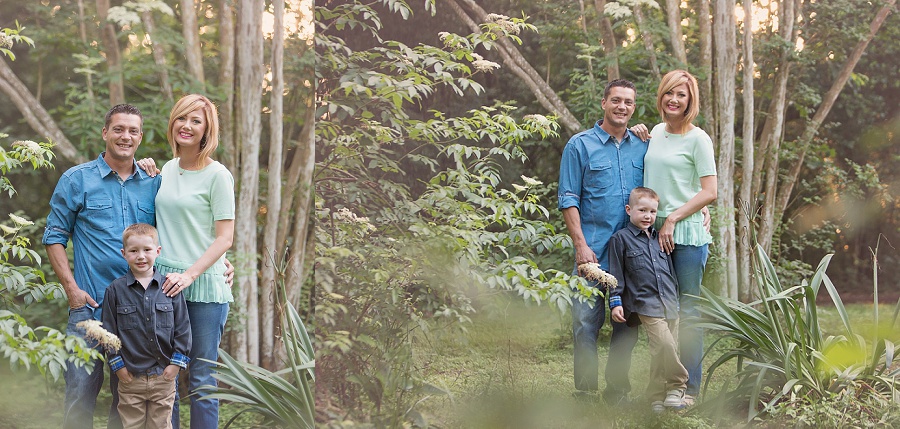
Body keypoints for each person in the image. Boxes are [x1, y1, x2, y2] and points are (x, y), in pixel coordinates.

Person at [44, 104, 160, 429]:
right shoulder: (76, 179)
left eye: (133, 131)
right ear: (105, 132)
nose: (126, 136)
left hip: (138, 310)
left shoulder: (154, 184)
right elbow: (54, 236)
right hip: (88, 309)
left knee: (128, 404)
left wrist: (221, 263)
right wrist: (71, 290)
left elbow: (180, 231)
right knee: (79, 399)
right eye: (119, 129)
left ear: (140, 137)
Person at [557, 79, 644, 403]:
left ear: (634, 108)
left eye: (629, 103)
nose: (622, 107)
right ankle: (585, 392)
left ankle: (617, 390)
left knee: (627, 326)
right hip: (592, 249)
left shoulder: (642, 145)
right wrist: (580, 245)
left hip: (632, 253)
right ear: (604, 103)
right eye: (616, 100)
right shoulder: (579, 146)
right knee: (584, 322)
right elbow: (568, 198)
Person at [153, 94, 235, 429]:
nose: (186, 126)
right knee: (165, 375)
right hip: (162, 287)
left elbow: (224, 238)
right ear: (173, 123)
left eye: (196, 121)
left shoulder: (218, 175)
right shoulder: (166, 169)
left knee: (201, 377)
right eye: (181, 118)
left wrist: (191, 274)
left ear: (207, 131)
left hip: (203, 289)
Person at [637, 69, 718, 405]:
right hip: (655, 237)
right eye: (669, 92)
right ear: (661, 95)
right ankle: (665, 387)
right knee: (661, 314)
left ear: (690, 101)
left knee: (689, 313)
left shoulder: (698, 138)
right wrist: (638, 132)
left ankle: (691, 389)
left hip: (685, 238)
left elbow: (710, 191)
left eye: (681, 94)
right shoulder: (655, 132)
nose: (674, 99)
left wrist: (673, 217)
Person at [101, 223, 191, 429]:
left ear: (157, 251)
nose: (141, 256)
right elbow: (108, 332)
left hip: (163, 376)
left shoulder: (170, 288)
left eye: (147, 250)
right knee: (131, 425)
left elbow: (183, 328)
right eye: (134, 251)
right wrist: (118, 367)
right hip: (130, 377)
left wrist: (175, 365)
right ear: (124, 254)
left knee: (161, 425)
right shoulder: (115, 290)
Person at [608, 187, 689, 411]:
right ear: (629, 210)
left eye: (652, 212)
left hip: (670, 301)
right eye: (642, 210)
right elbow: (615, 274)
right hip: (645, 303)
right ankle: (678, 385)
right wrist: (615, 302)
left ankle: (656, 397)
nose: (647, 216)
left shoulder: (660, 238)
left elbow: (669, 271)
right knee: (664, 344)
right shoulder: (620, 239)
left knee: (661, 350)